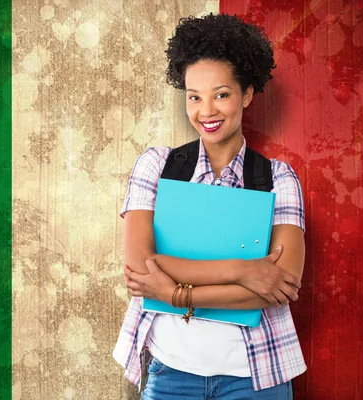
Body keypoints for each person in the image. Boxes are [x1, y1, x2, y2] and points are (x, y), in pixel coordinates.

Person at [113, 13, 306, 400]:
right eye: (194, 97)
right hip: (170, 377)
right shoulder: (156, 166)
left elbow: (278, 285)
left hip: (256, 380)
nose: (206, 112)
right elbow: (140, 266)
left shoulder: (278, 179)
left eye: (221, 94)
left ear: (247, 94)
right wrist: (242, 270)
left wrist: (175, 293)